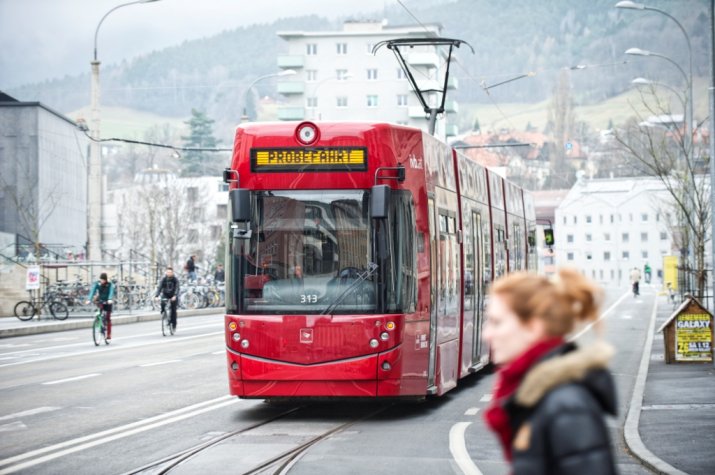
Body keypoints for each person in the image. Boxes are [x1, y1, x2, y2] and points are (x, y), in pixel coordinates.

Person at [482, 268, 617, 474]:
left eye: (497, 323)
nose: (487, 334)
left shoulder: (566, 406)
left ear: (533, 327)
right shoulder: (538, 394)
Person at [87, 273, 116, 341]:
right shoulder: (98, 283)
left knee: (108, 318)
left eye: (103, 280)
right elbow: (93, 291)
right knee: (99, 312)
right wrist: (89, 299)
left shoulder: (110, 284)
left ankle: (108, 335)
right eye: (101, 279)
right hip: (101, 300)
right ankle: (99, 324)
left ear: (105, 280)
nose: (101, 281)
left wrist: (110, 299)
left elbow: (111, 292)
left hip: (108, 301)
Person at [156, 266, 180, 331]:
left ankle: (174, 324)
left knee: (173, 310)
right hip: (165, 294)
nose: (169, 273)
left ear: (172, 273)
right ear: (166, 273)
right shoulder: (164, 279)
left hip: (173, 295)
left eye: (170, 272)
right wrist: (157, 296)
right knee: (162, 303)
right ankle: (163, 314)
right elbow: (160, 287)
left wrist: (175, 295)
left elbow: (177, 288)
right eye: (168, 272)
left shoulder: (175, 280)